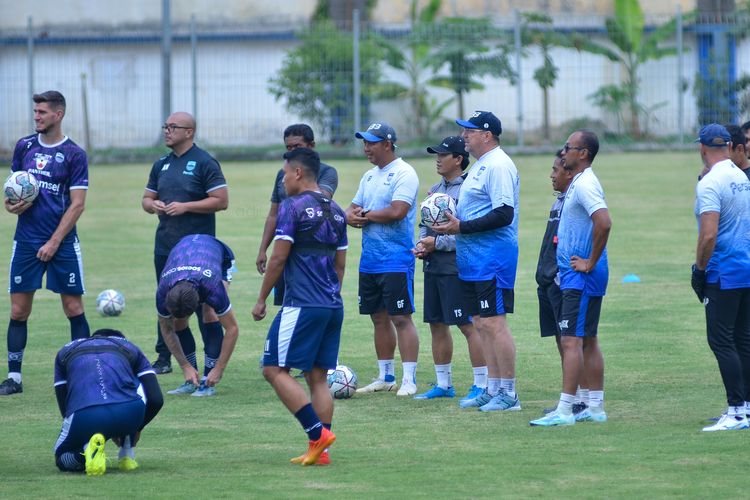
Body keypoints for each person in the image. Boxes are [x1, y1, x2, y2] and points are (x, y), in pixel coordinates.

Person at [252, 147, 347, 466]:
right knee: (317, 377)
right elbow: (340, 265)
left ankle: (316, 434)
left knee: (273, 369)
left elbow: (278, 257)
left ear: (297, 173)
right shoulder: (336, 211)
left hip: (303, 303)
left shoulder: (292, 207)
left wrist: (262, 298)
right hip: (332, 304)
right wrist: (330, 296)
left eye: (284, 173)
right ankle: (321, 452)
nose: (281, 180)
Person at [1, 90, 90, 396]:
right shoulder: (24, 146)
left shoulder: (75, 154)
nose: (36, 116)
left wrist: (54, 241)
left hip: (61, 243)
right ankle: (14, 377)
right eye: (35, 111)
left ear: (58, 114)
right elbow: (15, 190)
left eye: (42, 112)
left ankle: (83, 373)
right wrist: (11, 204)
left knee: (73, 306)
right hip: (26, 240)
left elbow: (77, 205)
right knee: (18, 311)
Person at [432, 111, 521, 412]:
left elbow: (504, 213)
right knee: (481, 323)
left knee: (495, 323)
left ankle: (509, 394)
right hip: (472, 260)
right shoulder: (482, 166)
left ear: (486, 135)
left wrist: (462, 227)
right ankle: (492, 388)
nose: (464, 136)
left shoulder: (498, 165)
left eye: (469, 131)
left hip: (492, 259)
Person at [530, 130, 611, 427]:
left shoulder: (585, 184)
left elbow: (604, 221)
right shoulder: (579, 183)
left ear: (583, 153)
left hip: (581, 275)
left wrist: (590, 261)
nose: (563, 152)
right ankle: (595, 407)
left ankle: (566, 410)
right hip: (582, 274)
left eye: (569, 147)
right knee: (587, 339)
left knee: (571, 341)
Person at [142, 111, 229, 375]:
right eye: (165, 126)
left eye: (172, 127)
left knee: (206, 308)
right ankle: (166, 358)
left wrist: (186, 207)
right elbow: (146, 199)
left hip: (197, 251)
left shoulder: (205, 162)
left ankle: (209, 367)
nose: (166, 131)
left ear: (189, 132)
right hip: (166, 247)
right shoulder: (161, 164)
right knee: (170, 303)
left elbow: (221, 201)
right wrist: (152, 205)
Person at [346, 122, 421, 397]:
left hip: (396, 259)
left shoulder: (404, 173)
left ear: (387, 144)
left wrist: (363, 215)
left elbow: (398, 211)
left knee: (401, 318)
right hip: (370, 261)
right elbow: (352, 209)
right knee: (378, 318)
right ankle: (385, 376)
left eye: (371, 143)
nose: (366, 148)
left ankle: (409, 379)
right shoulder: (368, 176)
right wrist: (349, 215)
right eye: (364, 143)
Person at [412, 136, 486, 401]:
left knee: (467, 325)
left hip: (456, 266)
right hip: (433, 265)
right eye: (436, 154)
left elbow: (468, 232)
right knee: (436, 324)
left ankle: (482, 384)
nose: (438, 159)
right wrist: (422, 243)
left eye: (443, 154)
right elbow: (425, 223)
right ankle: (443, 384)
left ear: (458, 159)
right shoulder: (434, 189)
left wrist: (437, 243)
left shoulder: (468, 190)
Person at [690, 124, 750, 432]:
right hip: (745, 269)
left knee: (721, 341)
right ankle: (746, 408)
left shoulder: (711, 182)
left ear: (702, 148)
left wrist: (699, 270)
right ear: (729, 147)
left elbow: (708, 234)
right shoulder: (741, 176)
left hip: (723, 272)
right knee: (741, 340)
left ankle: (736, 411)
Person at [53, 328, 163, 475]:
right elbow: (156, 399)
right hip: (130, 413)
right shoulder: (130, 347)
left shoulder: (65, 351)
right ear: (120, 339)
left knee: (62, 457)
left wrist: (88, 431)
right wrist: (137, 427)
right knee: (132, 386)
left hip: (85, 414)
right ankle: (127, 453)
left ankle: (85, 454)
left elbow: (65, 405)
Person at [256, 124, 339, 307]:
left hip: (310, 252)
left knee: (312, 303)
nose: (293, 151)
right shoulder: (283, 174)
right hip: (284, 247)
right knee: (286, 304)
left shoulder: (326, 172)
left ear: (311, 145)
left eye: (297, 147)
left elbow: (319, 202)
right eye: (288, 148)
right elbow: (273, 214)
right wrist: (263, 249)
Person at [536, 151, 591, 419]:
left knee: (572, 340)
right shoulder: (560, 200)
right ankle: (578, 397)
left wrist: (558, 271)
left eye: (556, 170)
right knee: (561, 339)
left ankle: (579, 401)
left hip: (562, 278)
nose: (551, 175)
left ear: (569, 172)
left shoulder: (577, 198)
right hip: (547, 278)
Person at [156, 234, 240, 397]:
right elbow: (167, 330)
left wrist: (219, 368)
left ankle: (207, 381)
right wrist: (184, 366)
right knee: (179, 323)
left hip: (218, 255)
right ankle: (191, 379)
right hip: (185, 248)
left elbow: (232, 329)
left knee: (210, 313)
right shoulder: (163, 291)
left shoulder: (212, 288)